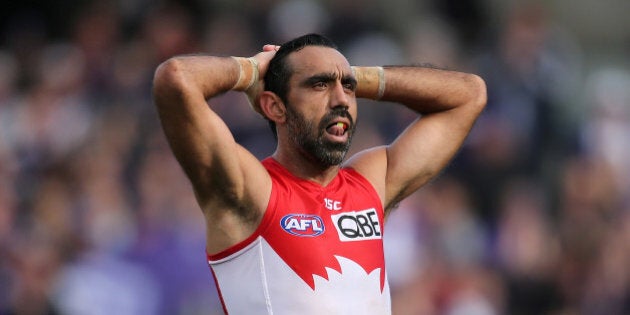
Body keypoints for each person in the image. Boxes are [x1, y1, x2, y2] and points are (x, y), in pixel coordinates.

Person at [152, 33, 486, 314]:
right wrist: (253, 70)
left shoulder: (369, 184)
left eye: (348, 88)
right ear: (274, 106)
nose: (341, 99)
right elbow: (177, 78)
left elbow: (470, 95)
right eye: (319, 85)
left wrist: (354, 76)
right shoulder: (251, 191)